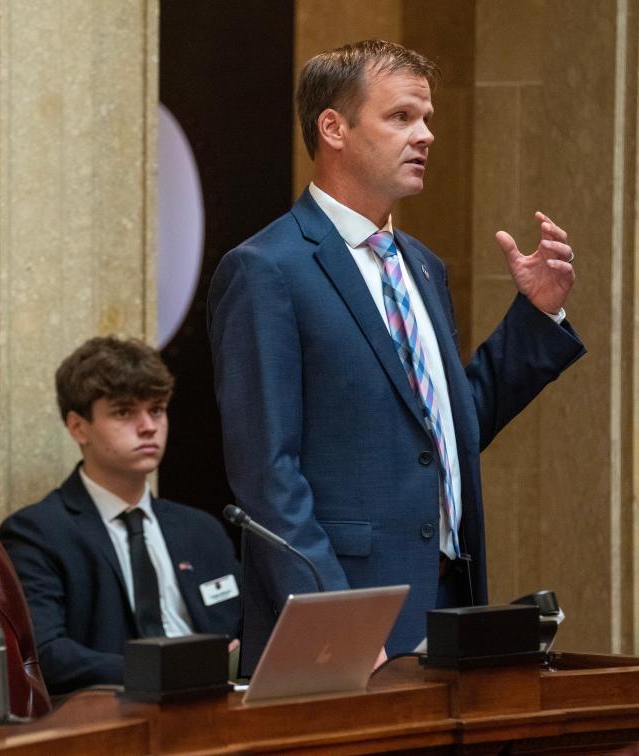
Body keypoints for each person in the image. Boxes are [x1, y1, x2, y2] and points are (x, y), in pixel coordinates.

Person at [207, 39, 586, 673]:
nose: (426, 135)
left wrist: (536, 317)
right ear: (334, 127)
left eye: (428, 118)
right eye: (402, 117)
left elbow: (444, 431)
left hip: (448, 602)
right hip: (345, 615)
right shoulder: (266, 270)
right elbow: (267, 475)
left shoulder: (423, 267)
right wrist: (341, 620)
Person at [0, 336, 242, 695]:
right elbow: (47, 653)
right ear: (78, 427)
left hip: (222, 705)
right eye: (124, 412)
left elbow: (245, 628)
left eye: (157, 409)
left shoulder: (201, 529)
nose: (148, 426)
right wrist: (171, 669)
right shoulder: (37, 532)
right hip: (114, 714)